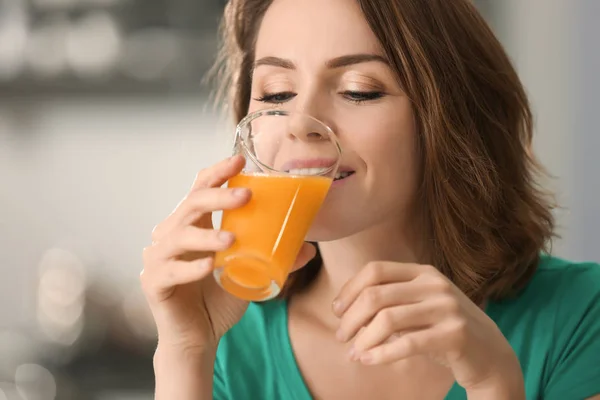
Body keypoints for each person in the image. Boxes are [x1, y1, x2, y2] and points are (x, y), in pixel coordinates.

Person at [141, 0, 600, 399]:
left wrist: (495, 385)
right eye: (276, 92)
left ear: (450, 119)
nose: (300, 121)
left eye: (359, 90)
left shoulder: (581, 316)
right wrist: (185, 352)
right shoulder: (226, 340)